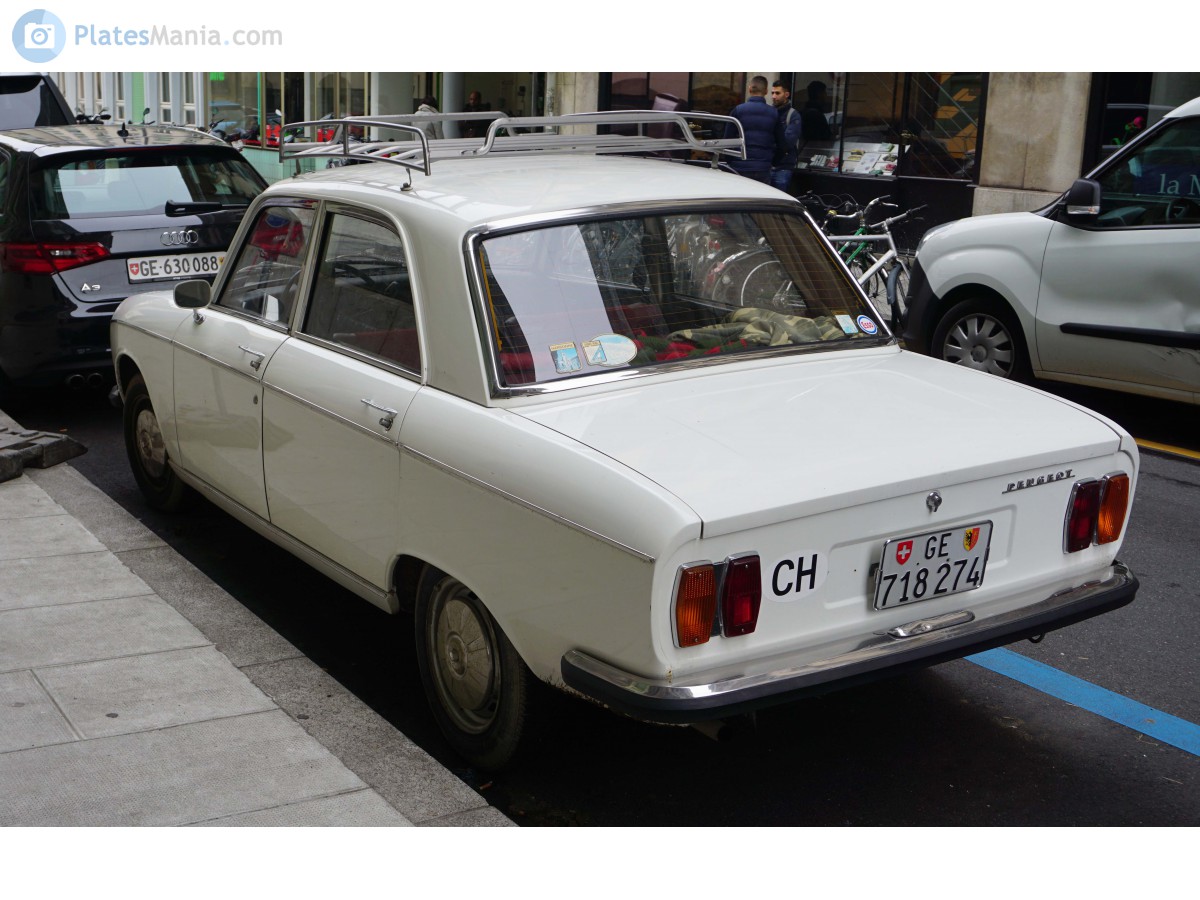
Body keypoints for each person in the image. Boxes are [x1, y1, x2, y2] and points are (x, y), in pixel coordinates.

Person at [725, 75, 784, 184]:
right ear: (766, 91)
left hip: (739, 166)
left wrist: (731, 161)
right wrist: (771, 162)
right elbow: (782, 144)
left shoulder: (737, 111)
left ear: (749, 89)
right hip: (763, 167)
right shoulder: (774, 113)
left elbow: (727, 141)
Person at [769, 80, 803, 192]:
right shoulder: (769, 112)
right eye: (772, 93)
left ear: (786, 94)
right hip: (767, 165)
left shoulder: (793, 115)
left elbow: (788, 142)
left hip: (783, 167)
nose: (774, 96)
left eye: (777, 93)